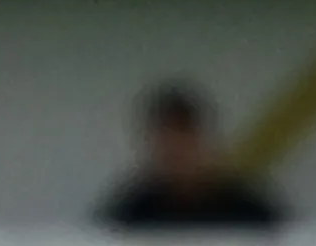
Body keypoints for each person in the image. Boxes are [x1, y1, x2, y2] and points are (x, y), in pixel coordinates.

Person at [96, 81, 283, 232]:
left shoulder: (247, 210)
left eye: (184, 135)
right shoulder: (129, 212)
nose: (176, 148)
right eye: (166, 138)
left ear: (205, 139)